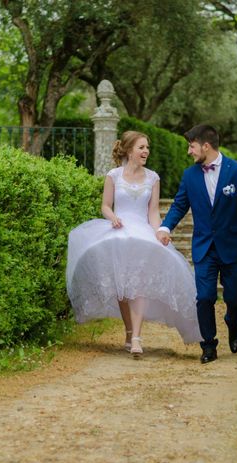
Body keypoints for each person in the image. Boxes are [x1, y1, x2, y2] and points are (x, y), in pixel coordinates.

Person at [66, 130, 202, 357]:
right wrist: (112, 218)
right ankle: (129, 331)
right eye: (141, 147)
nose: (146, 151)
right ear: (129, 151)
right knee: (123, 288)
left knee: (138, 284)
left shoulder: (153, 178)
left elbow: (153, 211)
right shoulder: (113, 175)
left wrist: (159, 232)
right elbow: (105, 206)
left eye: (147, 147)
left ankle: (137, 337)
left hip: (142, 234)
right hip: (118, 232)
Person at [156, 125, 237, 364]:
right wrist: (165, 227)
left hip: (235, 246)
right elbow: (179, 205)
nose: (188, 151)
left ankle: (233, 323)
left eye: (191, 146)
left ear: (206, 145)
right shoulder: (190, 175)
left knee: (235, 299)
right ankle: (208, 345)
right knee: (204, 297)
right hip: (204, 247)